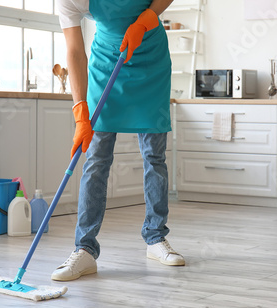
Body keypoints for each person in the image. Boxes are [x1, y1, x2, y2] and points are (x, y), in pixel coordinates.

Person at [51, 0, 184, 282]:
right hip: (107, 61)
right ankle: (84, 249)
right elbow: (75, 51)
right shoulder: (66, 1)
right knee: (96, 159)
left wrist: (147, 18)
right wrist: (80, 113)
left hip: (151, 60)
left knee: (154, 156)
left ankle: (156, 238)